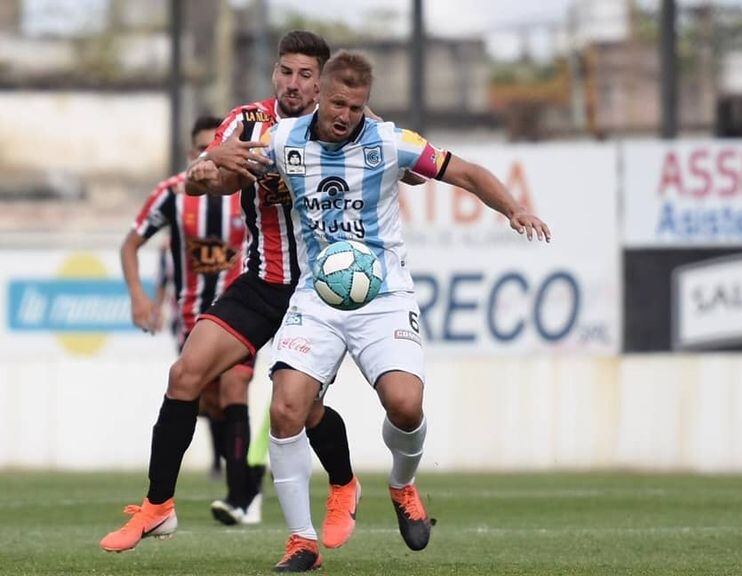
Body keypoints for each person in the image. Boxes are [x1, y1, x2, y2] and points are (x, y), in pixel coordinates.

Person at [205, 51, 552, 572]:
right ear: (319, 93)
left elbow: (469, 173)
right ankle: (301, 542)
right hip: (317, 293)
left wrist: (515, 209)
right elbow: (220, 169)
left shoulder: (390, 142)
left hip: (383, 293)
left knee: (405, 405)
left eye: (357, 105)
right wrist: (207, 164)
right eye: (339, 102)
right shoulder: (283, 139)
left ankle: (403, 485)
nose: (346, 115)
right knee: (285, 408)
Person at [100, 30, 360, 554]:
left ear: (323, 81)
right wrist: (204, 170)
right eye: (285, 71)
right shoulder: (247, 123)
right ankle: (158, 508)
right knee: (185, 374)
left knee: (301, 412)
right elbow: (208, 180)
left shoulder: (347, 127)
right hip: (261, 283)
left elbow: (391, 166)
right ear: (274, 73)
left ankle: (343, 485)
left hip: (316, 293)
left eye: (306, 74)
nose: (293, 83)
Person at [119, 115, 266, 525]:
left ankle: (242, 499)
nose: (217, 153)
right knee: (212, 401)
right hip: (192, 317)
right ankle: (247, 478)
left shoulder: (252, 187)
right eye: (207, 146)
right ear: (194, 153)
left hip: (245, 308)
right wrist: (139, 297)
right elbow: (131, 243)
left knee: (235, 385)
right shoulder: (171, 194)